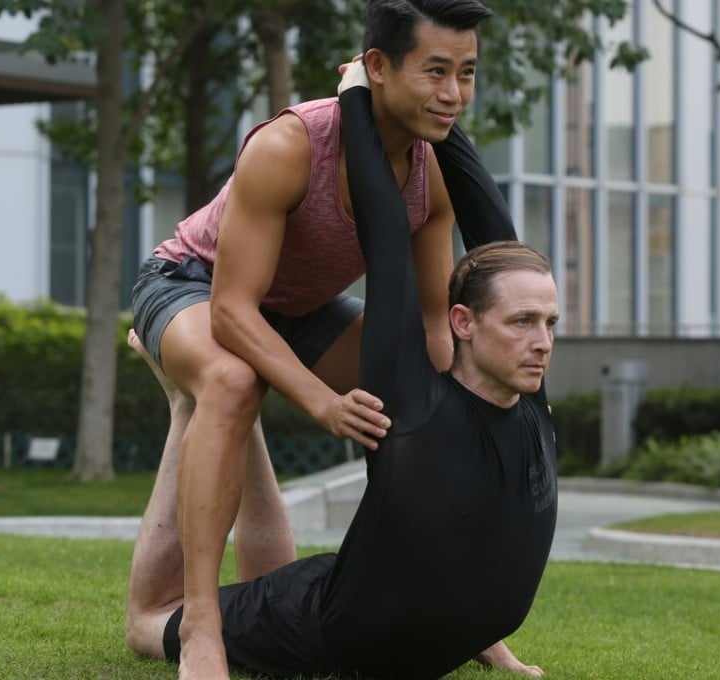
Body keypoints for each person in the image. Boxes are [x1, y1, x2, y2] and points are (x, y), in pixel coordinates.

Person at [124, 58, 558, 678]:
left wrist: (458, 411)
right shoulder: (292, 144)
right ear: (380, 70)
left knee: (427, 397)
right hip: (195, 283)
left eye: (465, 74)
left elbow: (438, 319)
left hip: (302, 306)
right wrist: (321, 402)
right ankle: (200, 625)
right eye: (435, 72)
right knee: (233, 381)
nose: (452, 92)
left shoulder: (429, 171)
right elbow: (232, 310)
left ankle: (459, 610)